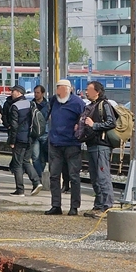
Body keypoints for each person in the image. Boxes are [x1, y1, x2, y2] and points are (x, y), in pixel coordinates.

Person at [45, 79, 86, 216]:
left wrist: (78, 127)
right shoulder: (53, 101)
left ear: (69, 89)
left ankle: (74, 206)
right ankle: (56, 205)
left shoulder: (78, 103)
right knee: (54, 176)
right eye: (58, 89)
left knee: (74, 176)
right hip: (55, 143)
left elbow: (84, 118)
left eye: (62, 89)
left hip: (72, 144)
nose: (59, 92)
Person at [79, 81, 118, 217]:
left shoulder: (104, 105)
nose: (86, 92)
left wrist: (94, 125)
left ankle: (107, 207)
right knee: (95, 177)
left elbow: (111, 122)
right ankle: (99, 205)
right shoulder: (90, 106)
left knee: (103, 177)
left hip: (101, 145)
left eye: (88, 90)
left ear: (97, 92)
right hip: (91, 145)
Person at [4, 85, 42, 197]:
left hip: (20, 138)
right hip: (31, 137)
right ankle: (37, 182)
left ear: (19, 93)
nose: (12, 93)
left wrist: (11, 141)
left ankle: (20, 190)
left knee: (17, 164)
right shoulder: (31, 104)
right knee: (26, 161)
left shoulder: (15, 106)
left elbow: (14, 126)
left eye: (13, 91)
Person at [30, 84, 51, 180]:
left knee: (43, 158)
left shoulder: (48, 105)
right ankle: (38, 177)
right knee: (35, 156)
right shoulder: (31, 105)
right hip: (34, 133)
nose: (36, 94)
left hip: (45, 133)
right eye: (35, 92)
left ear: (42, 93)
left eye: (38, 92)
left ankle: (40, 175)